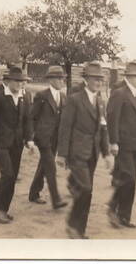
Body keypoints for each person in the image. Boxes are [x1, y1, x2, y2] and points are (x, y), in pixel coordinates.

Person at [56, 61, 111, 239]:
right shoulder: (75, 99)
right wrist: (62, 154)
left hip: (93, 153)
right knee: (86, 189)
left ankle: (80, 229)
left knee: (88, 191)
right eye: (95, 79)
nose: (98, 82)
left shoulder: (101, 101)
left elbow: (103, 128)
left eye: (101, 79)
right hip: (77, 152)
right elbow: (65, 127)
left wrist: (107, 153)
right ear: (86, 79)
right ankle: (72, 224)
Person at [0, 67, 35, 224]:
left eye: (22, 81)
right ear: (9, 81)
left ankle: (4, 209)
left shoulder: (25, 97)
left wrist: (29, 140)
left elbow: (27, 121)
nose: (21, 84)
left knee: (12, 177)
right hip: (1, 144)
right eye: (18, 81)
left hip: (17, 144)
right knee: (7, 174)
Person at [107, 61, 136, 229]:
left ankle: (124, 216)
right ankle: (113, 207)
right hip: (123, 145)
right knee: (127, 178)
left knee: (131, 181)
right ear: (128, 77)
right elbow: (112, 118)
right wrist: (114, 141)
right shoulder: (120, 94)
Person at [28, 66, 68, 209]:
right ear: (51, 80)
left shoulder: (63, 96)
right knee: (51, 166)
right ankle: (56, 199)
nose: (62, 80)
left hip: (56, 138)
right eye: (59, 78)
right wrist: (31, 138)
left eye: (63, 78)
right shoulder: (42, 96)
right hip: (43, 138)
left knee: (43, 166)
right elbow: (32, 117)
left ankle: (33, 193)